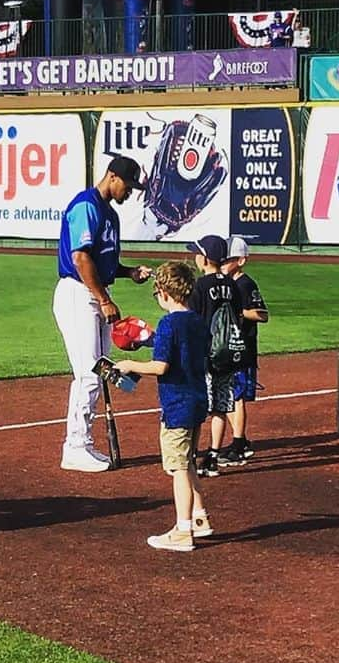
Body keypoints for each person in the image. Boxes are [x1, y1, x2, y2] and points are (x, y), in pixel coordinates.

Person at [53, 155, 151, 473]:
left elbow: (102, 262)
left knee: (101, 370)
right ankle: (75, 446)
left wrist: (128, 272)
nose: (130, 193)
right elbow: (81, 259)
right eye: (129, 186)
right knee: (89, 372)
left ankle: (84, 443)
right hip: (77, 294)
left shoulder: (110, 215)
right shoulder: (86, 206)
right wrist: (104, 299)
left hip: (94, 294)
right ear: (112, 177)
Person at [115, 261, 211, 552]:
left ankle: (183, 532)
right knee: (190, 461)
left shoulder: (169, 323)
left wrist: (129, 364)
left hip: (177, 403)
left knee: (178, 467)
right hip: (197, 399)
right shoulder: (197, 320)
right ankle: (199, 518)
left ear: (165, 293)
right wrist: (151, 340)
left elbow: (161, 366)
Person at [187, 234, 244, 476]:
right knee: (220, 407)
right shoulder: (232, 284)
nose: (195, 257)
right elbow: (238, 315)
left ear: (206, 258)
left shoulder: (200, 286)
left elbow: (193, 320)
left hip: (206, 354)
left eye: (197, 253)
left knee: (199, 407)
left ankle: (190, 455)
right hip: (228, 354)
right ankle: (212, 456)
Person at [222, 238, 269, 460]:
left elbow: (262, 314)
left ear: (241, 261)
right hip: (227, 348)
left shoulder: (246, 284)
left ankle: (239, 444)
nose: (222, 263)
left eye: (228, 259)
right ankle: (241, 438)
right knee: (228, 394)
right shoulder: (225, 283)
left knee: (235, 396)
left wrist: (237, 313)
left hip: (242, 349)